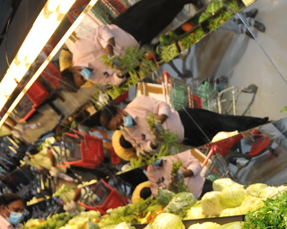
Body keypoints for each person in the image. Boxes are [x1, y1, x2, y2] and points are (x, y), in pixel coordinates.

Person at [100, 94, 268, 152]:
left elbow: (162, 106)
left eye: (121, 121)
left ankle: (264, 124)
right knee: (222, 140)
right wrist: (154, 143)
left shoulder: (138, 103)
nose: (123, 126)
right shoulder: (129, 135)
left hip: (188, 119)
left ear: (120, 111)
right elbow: (143, 148)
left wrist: (158, 123)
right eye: (118, 128)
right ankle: (256, 139)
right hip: (187, 139)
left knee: (227, 123)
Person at [62, 24, 139, 89]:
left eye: (82, 77)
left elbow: (100, 30)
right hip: (137, 48)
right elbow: (113, 81)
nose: (86, 78)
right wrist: (119, 73)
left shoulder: (80, 49)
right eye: (84, 81)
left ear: (72, 69)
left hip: (126, 29)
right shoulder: (95, 78)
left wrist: (110, 53)